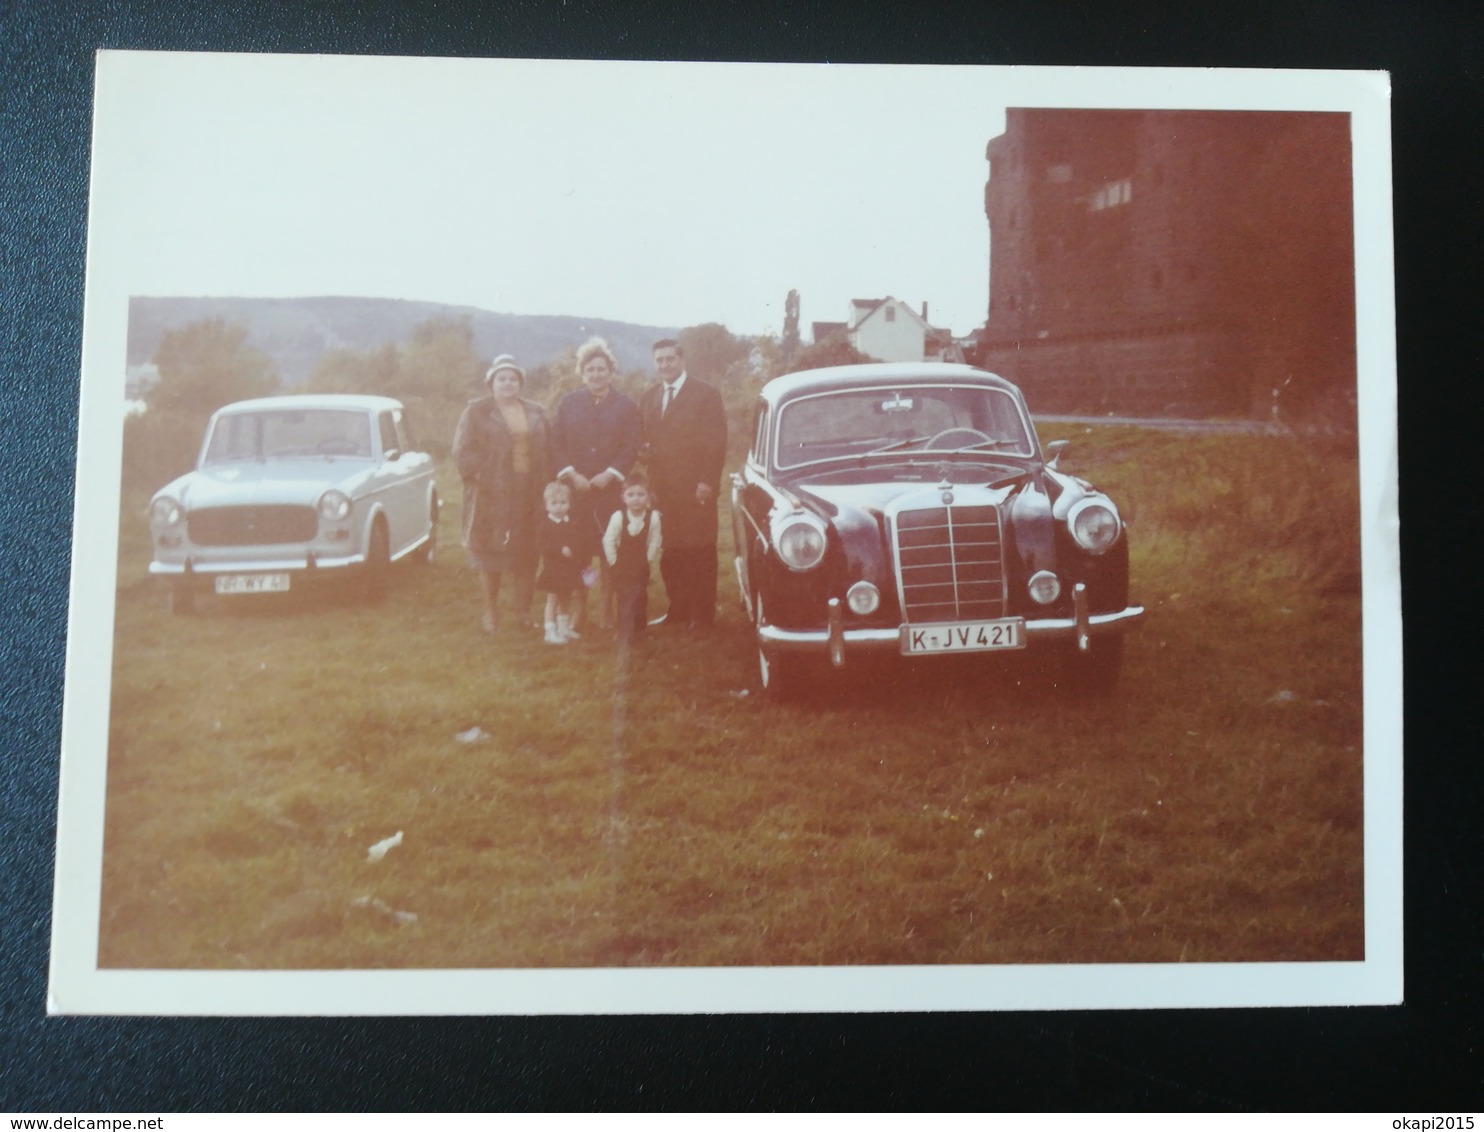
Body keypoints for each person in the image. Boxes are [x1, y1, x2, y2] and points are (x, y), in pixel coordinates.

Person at [452, 354, 551, 635]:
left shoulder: (536, 411)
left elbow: (547, 449)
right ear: (491, 383)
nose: (508, 383)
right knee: (490, 554)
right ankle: (491, 611)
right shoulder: (476, 411)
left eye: (513, 379)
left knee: (527, 553)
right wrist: (481, 476)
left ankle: (523, 612)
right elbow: (462, 451)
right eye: (502, 379)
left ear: (520, 383)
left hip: (529, 492)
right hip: (491, 495)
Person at [549, 337, 642, 629]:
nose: (596, 374)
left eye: (601, 368)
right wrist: (571, 474)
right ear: (582, 372)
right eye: (590, 369)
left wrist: (611, 474)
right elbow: (555, 443)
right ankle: (580, 610)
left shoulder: (625, 405)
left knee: (608, 550)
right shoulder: (569, 403)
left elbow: (631, 445)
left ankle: (606, 610)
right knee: (579, 552)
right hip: (577, 493)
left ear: (610, 371)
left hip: (609, 493)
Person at [639, 338, 727, 628]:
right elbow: (647, 438)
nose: (665, 365)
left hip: (695, 488)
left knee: (700, 551)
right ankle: (678, 610)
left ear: (682, 360)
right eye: (660, 360)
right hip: (664, 490)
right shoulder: (650, 396)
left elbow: (716, 442)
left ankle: (702, 616)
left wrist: (707, 481)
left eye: (670, 359)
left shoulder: (705, 394)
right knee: (672, 553)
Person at [602, 475, 663, 644]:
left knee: (640, 597)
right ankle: (622, 631)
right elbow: (608, 540)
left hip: (641, 565)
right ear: (623, 497)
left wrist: (648, 560)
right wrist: (614, 562)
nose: (636, 499)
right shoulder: (618, 517)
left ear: (648, 496)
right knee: (623, 598)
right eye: (631, 494)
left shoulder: (653, 518)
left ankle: (640, 630)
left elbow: (655, 541)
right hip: (621, 565)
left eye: (640, 494)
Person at [535, 481, 584, 645]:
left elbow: (576, 541)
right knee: (553, 599)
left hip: (568, 569)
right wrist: (559, 549)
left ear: (569, 504)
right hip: (553, 569)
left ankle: (563, 628)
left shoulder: (571, 523)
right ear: (547, 505)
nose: (559, 507)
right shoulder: (545, 525)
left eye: (563, 503)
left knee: (566, 598)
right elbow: (542, 545)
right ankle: (549, 630)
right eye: (554, 503)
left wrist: (573, 549)